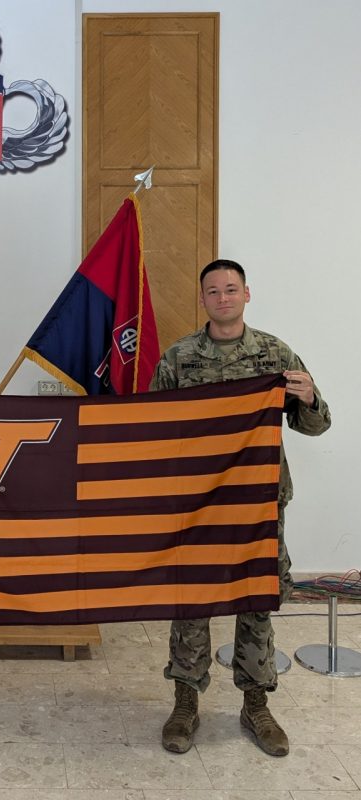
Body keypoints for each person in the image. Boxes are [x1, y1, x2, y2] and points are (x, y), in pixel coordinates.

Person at [150, 258, 330, 757]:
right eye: (213, 291)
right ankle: (186, 702)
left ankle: (256, 705)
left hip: (258, 503)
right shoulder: (180, 359)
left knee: (256, 603)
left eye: (232, 289)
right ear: (203, 298)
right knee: (192, 602)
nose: (223, 298)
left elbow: (317, 425)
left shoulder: (275, 353)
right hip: (199, 505)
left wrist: (309, 396)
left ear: (246, 295)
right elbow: (153, 431)